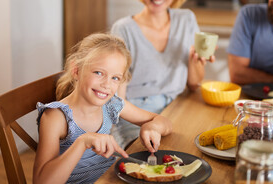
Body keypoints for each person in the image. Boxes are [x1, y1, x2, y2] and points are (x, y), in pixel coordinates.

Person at [33, 33, 172, 184]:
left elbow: (164, 122)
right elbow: (42, 181)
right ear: (76, 70)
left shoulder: (111, 104)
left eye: (115, 78)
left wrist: (152, 126)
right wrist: (82, 142)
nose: (106, 84)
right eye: (98, 73)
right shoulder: (56, 117)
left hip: (110, 179)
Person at [110, 0, 215, 148]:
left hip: (179, 106)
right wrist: (153, 122)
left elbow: (194, 84)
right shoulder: (123, 29)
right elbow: (117, 101)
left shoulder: (187, 19)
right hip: (137, 115)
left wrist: (196, 61)